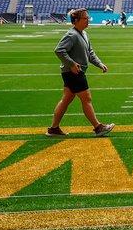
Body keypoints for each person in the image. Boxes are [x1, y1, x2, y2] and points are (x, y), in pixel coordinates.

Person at [48, 8, 114, 137]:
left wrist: (99, 64)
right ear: (76, 21)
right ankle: (98, 127)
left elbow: (90, 53)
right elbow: (59, 50)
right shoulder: (71, 35)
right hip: (73, 73)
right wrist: (72, 64)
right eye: (85, 18)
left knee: (66, 100)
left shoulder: (83, 34)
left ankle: (54, 129)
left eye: (88, 18)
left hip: (75, 72)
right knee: (86, 98)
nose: (88, 20)